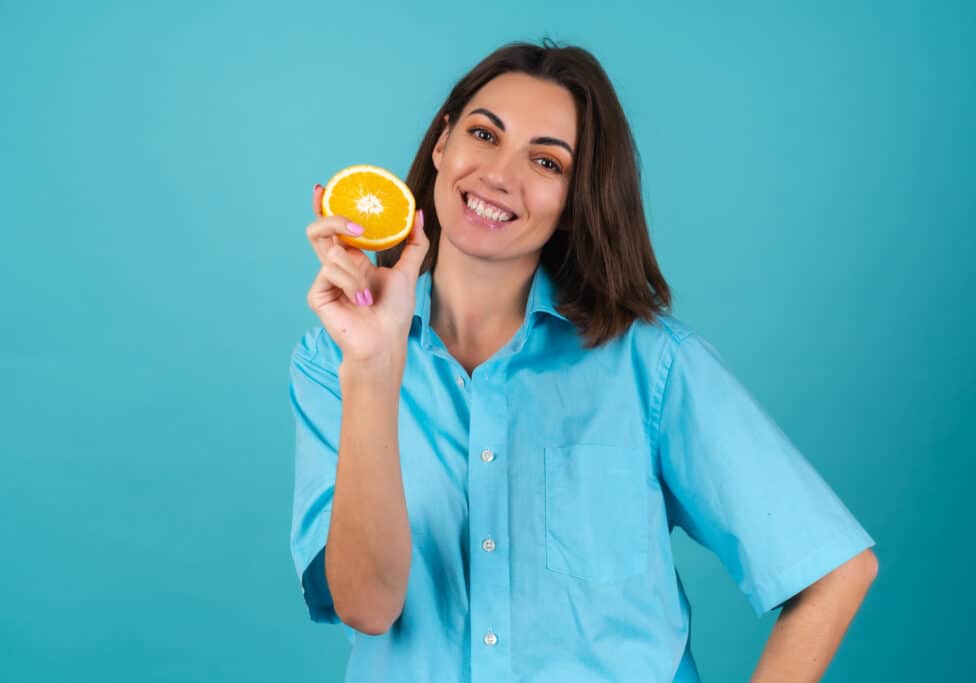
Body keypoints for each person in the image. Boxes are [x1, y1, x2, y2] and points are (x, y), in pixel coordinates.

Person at [288, 38, 878, 682]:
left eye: (546, 161)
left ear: (576, 199)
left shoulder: (652, 366)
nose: (499, 175)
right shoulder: (333, 359)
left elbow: (835, 568)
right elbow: (368, 608)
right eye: (484, 135)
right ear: (441, 144)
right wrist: (373, 368)